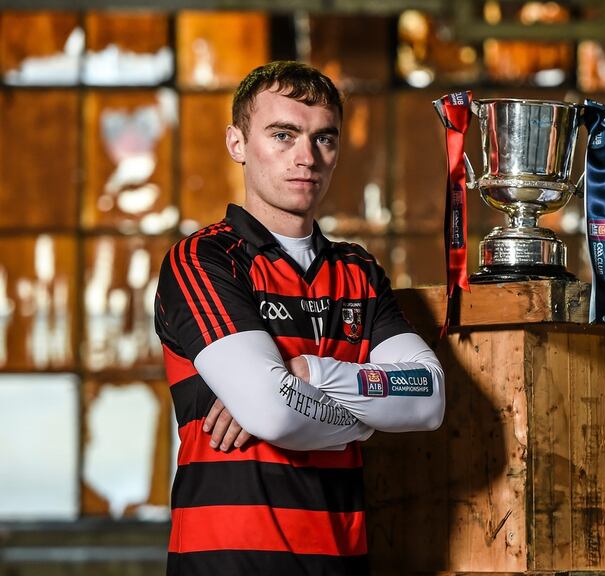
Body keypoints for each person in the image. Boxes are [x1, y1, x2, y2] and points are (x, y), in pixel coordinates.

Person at [154, 61, 445, 575]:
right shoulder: (205, 260)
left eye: (323, 139)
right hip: (228, 563)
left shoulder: (360, 272)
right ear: (237, 143)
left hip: (341, 561)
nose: (306, 157)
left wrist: (310, 376)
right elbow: (273, 412)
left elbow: (427, 398)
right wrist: (362, 425)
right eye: (283, 135)